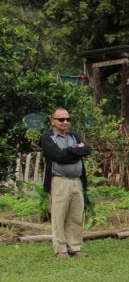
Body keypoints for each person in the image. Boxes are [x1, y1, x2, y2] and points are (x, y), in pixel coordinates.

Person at [40, 108, 91, 260]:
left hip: (76, 181)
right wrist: (75, 151)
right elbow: (58, 156)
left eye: (67, 119)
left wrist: (69, 151)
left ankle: (74, 247)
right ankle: (61, 250)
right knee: (59, 216)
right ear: (52, 121)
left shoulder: (74, 135)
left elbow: (87, 150)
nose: (65, 122)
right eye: (61, 119)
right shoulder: (47, 138)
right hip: (59, 181)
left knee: (76, 216)